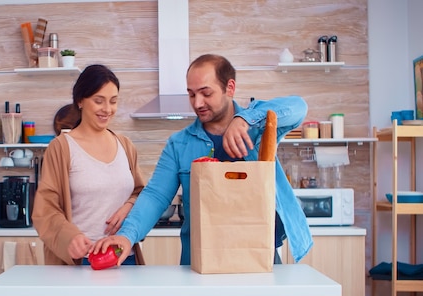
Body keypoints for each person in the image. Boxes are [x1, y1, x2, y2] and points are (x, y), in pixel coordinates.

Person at [92, 54, 313, 266]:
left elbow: (298, 108)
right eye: (191, 94)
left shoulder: (258, 130)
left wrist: (244, 120)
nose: (197, 103)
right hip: (201, 260)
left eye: (206, 93)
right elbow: (156, 196)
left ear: (230, 88)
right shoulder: (179, 144)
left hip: (259, 254)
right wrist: (127, 236)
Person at [32, 64, 146, 265]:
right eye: (98, 101)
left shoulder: (125, 146)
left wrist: (130, 205)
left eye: (113, 101)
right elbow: (45, 209)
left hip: (124, 259)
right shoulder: (61, 148)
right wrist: (69, 238)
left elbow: (141, 193)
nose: (107, 109)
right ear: (80, 101)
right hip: (80, 261)